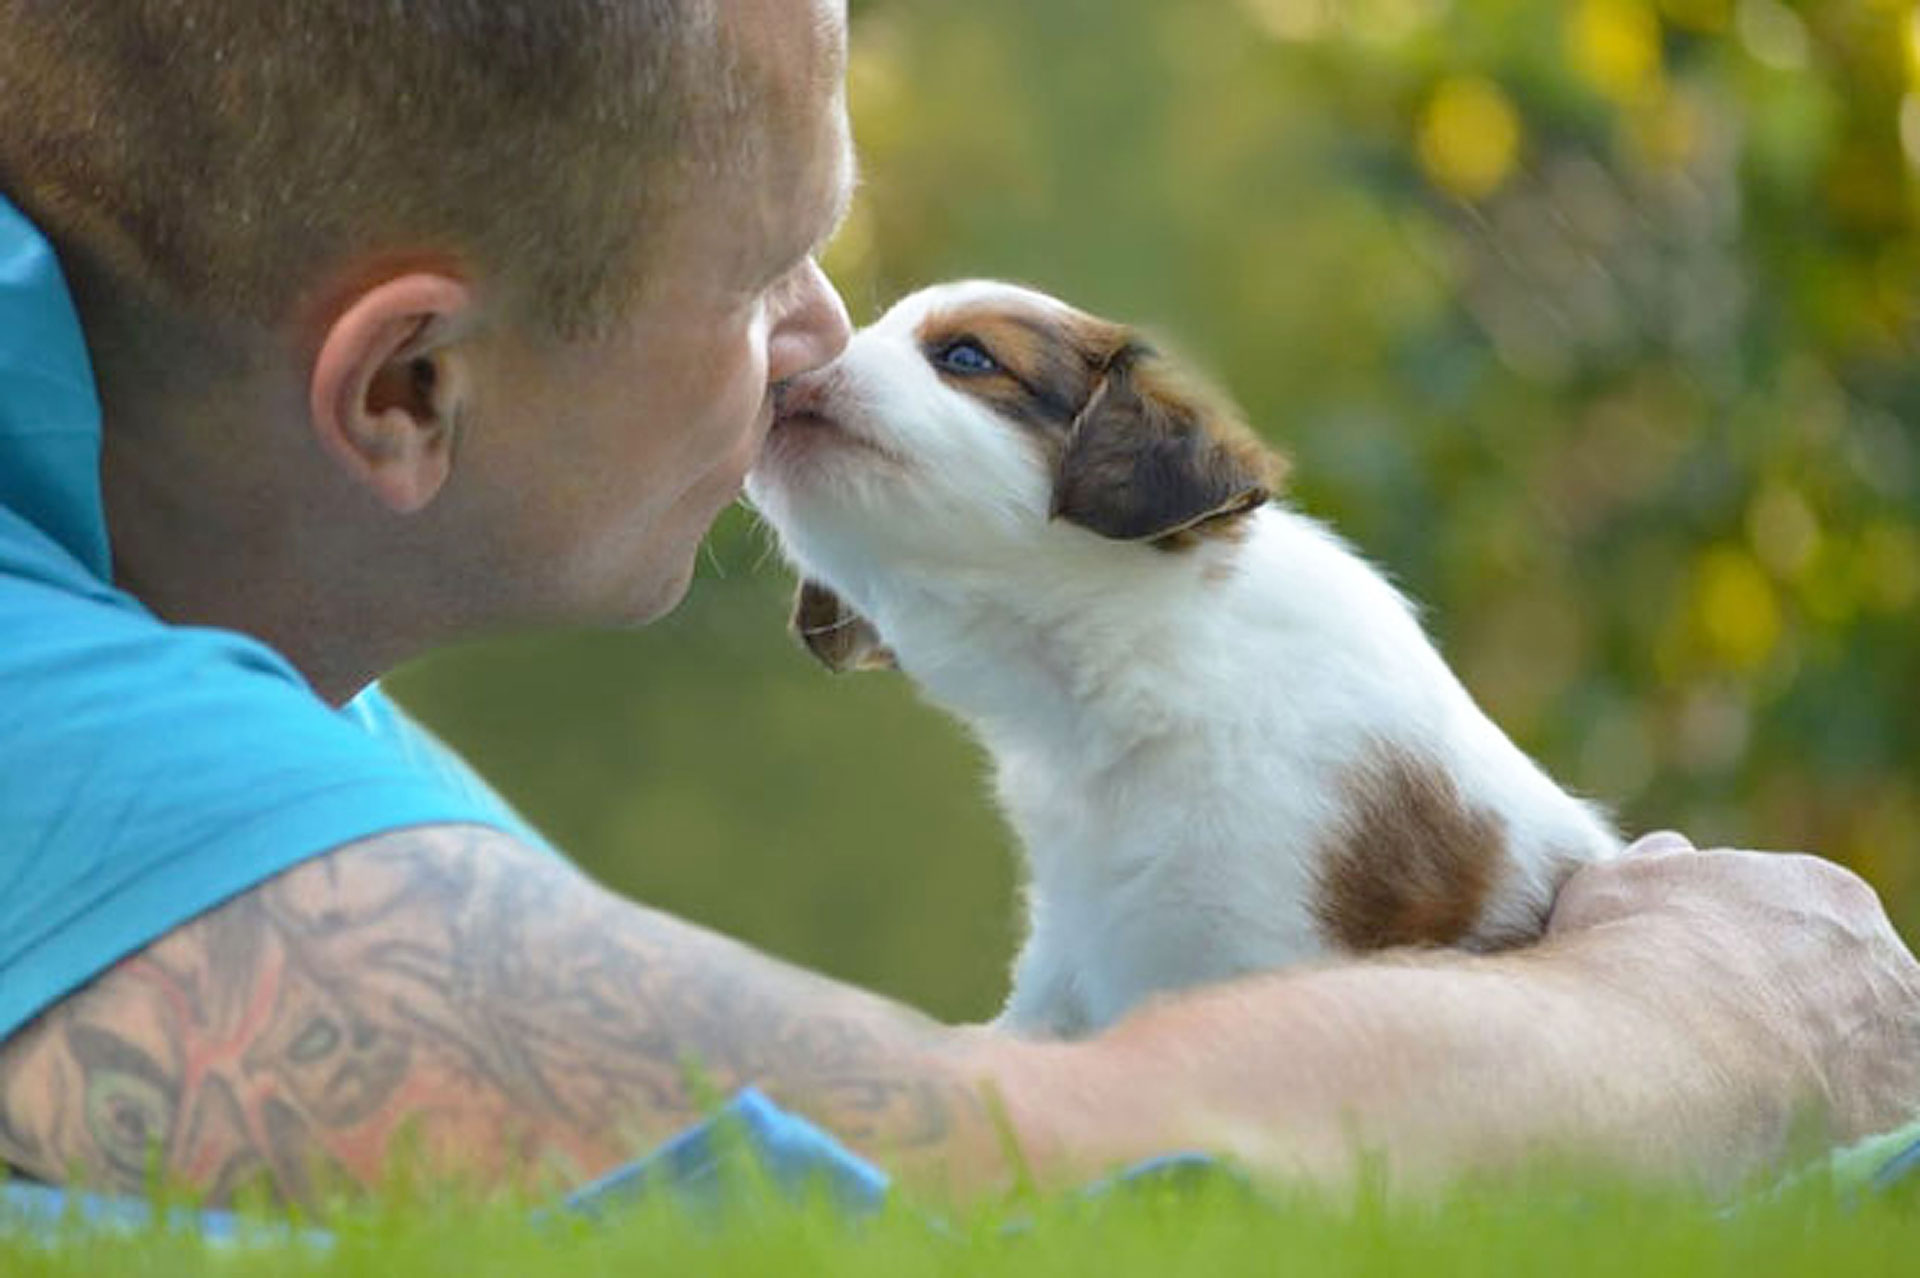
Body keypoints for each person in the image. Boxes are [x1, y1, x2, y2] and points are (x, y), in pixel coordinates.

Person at [0, 0, 1915, 1208]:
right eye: (764, 267)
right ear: (410, 387)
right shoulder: (53, 712)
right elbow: (991, 1170)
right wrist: (1707, 1019)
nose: (819, 335)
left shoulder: (200, 679)